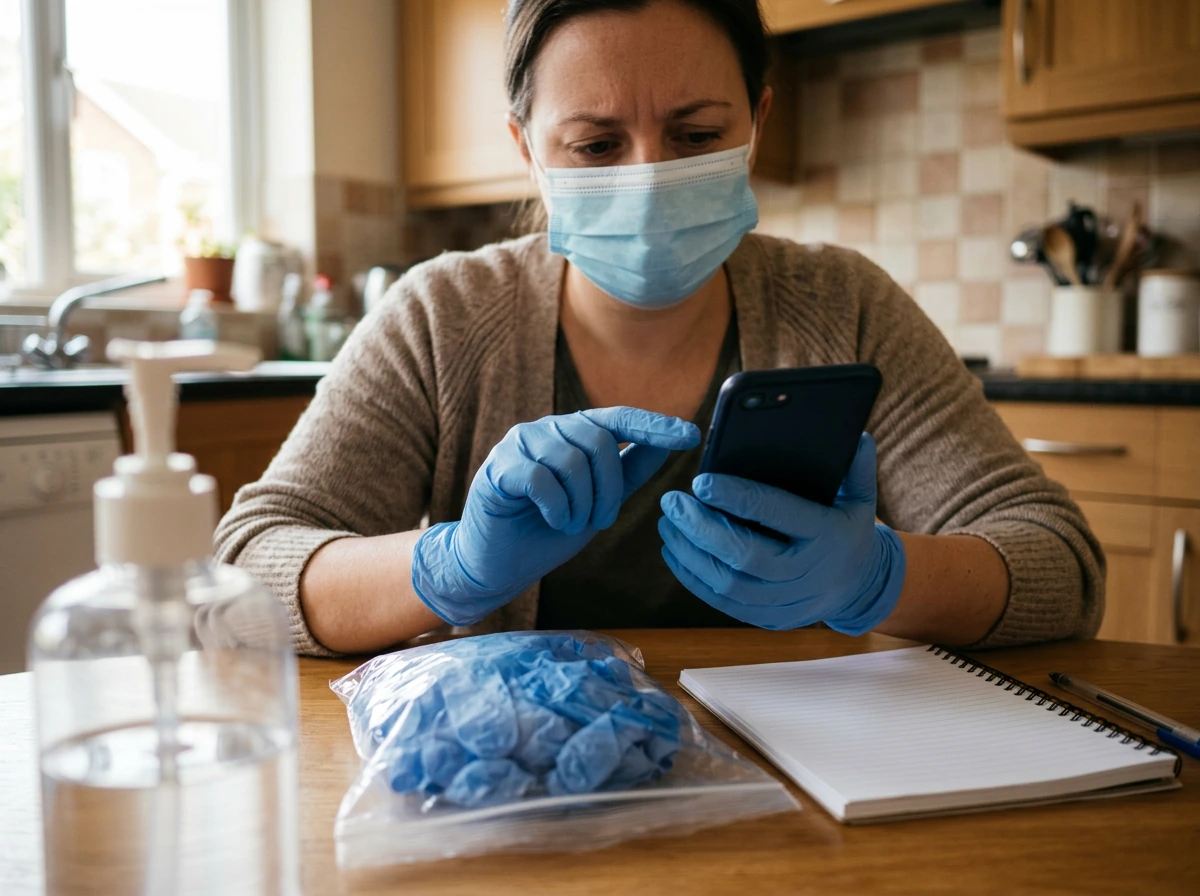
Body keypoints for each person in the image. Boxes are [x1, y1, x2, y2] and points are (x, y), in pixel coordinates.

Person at [215, 0, 1103, 657]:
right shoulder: (442, 318)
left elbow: (1060, 564)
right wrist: (443, 568)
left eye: (695, 133)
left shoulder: (845, 307)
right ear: (527, 149)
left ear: (755, 122)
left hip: (814, 779)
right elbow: (247, 569)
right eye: (597, 146)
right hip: (523, 787)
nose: (648, 178)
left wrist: (879, 577)